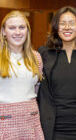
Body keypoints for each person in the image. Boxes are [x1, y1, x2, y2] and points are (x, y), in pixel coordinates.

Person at [37, 6, 76, 140]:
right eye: (62, 23)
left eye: (72, 23)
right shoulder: (42, 54)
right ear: (55, 27)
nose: (67, 27)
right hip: (50, 130)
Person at [0, 11, 44, 139]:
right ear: (3, 31)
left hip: (31, 121)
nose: (17, 32)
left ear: (27, 31)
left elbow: (36, 88)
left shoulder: (36, 58)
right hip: (4, 122)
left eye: (22, 27)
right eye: (12, 28)